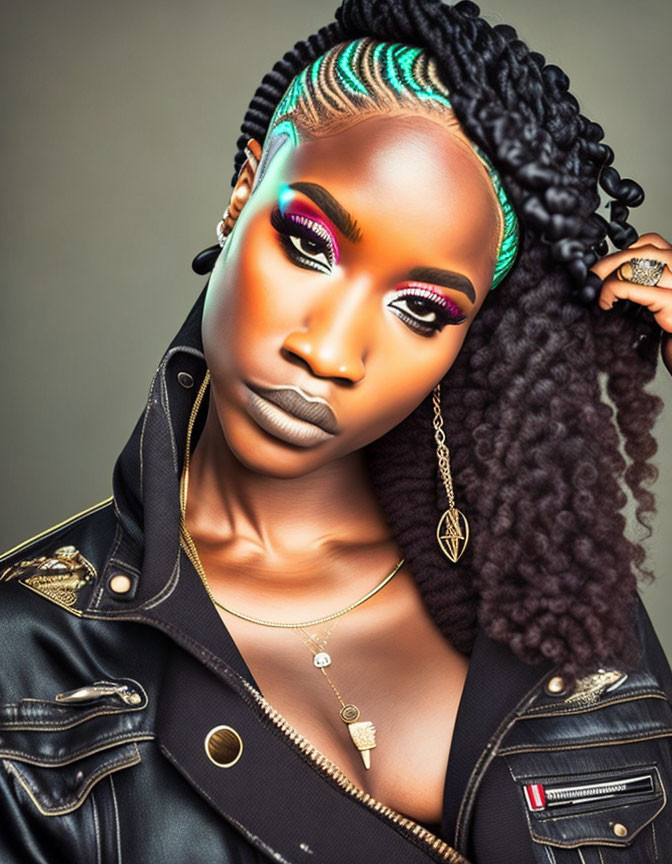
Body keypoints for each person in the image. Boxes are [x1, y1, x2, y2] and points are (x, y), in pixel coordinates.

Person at [1, 1, 671, 862]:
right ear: (245, 191)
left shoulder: (561, 601)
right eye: (309, 243)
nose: (327, 351)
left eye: (422, 309)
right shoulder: (29, 658)